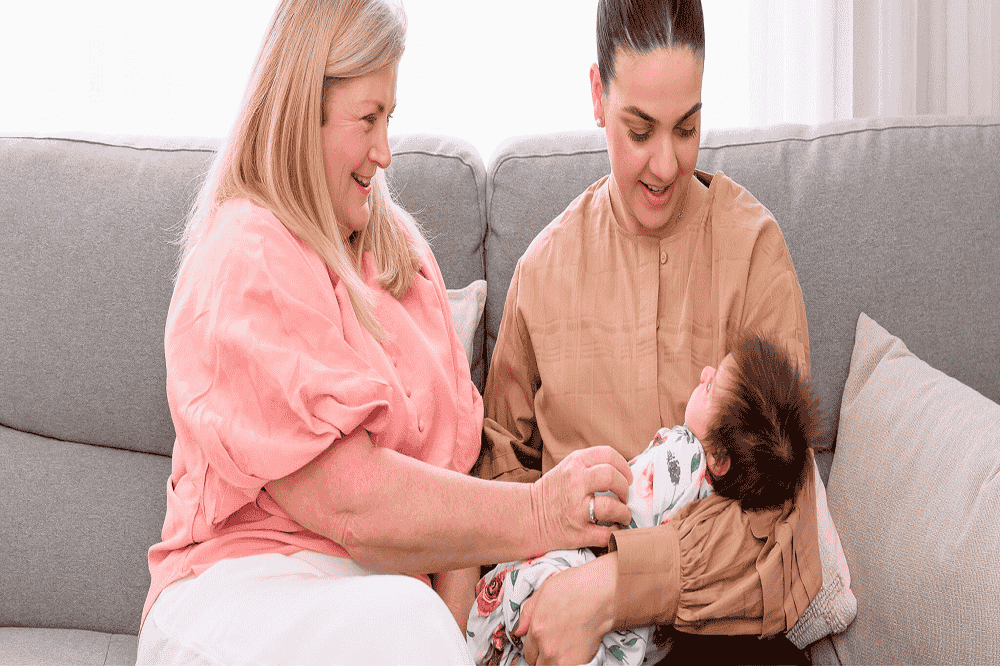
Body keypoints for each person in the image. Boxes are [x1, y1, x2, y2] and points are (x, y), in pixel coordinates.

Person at [134, 1, 634, 664]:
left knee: (411, 623)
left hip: (391, 613)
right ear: (298, 113)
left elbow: (451, 500)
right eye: (368, 119)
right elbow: (350, 504)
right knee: (404, 622)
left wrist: (449, 641)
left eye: (389, 119)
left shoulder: (399, 253)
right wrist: (539, 513)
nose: (385, 152)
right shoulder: (245, 254)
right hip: (241, 586)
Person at [475, 0, 823, 663]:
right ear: (598, 98)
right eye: (640, 130)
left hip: (716, 640)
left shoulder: (753, 251)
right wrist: (559, 587)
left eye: (687, 127)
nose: (666, 165)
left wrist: (612, 588)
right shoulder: (543, 271)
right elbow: (497, 493)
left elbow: (784, 525)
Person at [469, 331, 823, 666]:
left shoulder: (684, 453)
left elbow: (623, 507)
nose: (704, 373)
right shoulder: (729, 493)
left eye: (712, 387)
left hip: (584, 562)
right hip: (644, 637)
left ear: (720, 457)